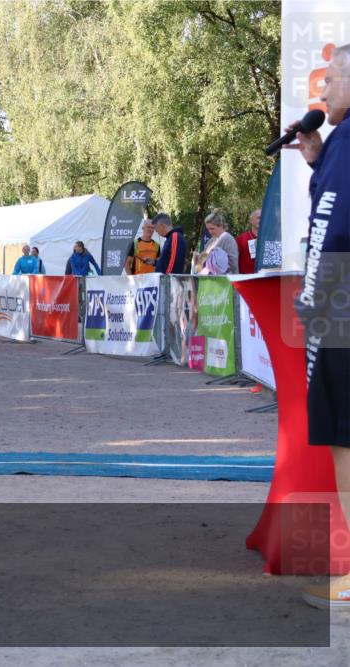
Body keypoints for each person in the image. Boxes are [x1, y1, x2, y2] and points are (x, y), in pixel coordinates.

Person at [283, 43, 350, 610]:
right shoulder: (338, 146)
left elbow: (335, 227)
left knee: (346, 439)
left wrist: (314, 299)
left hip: (342, 306)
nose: (321, 92)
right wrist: (314, 159)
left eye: (330, 81)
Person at [195, 209, 239, 275]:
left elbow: (233, 264)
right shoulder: (211, 241)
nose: (210, 232)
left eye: (212, 228)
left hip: (226, 281)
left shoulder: (228, 239)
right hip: (212, 281)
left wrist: (215, 264)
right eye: (208, 229)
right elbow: (203, 261)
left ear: (221, 226)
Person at [236, 209, 260, 275]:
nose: (261, 220)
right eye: (258, 218)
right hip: (247, 280)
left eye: (263, 217)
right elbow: (234, 261)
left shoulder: (269, 238)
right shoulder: (241, 239)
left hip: (265, 280)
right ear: (251, 221)